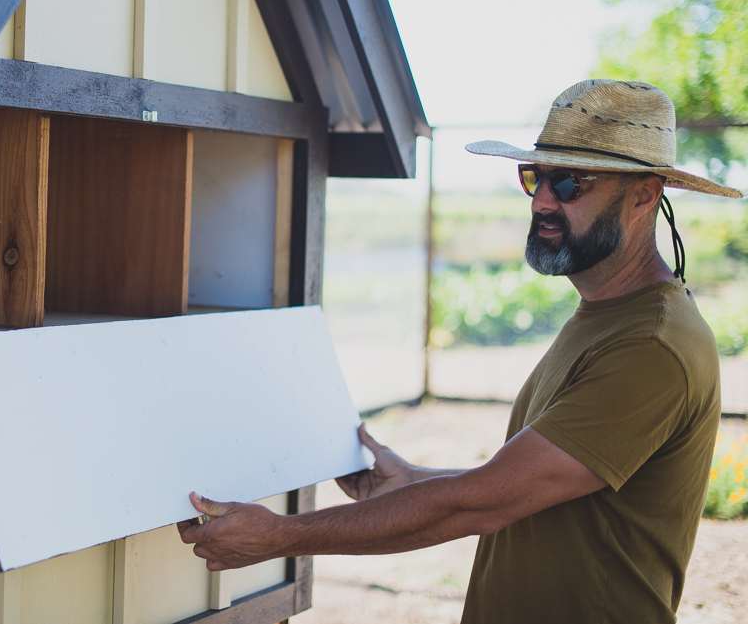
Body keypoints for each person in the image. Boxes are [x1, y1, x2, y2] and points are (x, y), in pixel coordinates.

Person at [177, 79, 742, 623]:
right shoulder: (609, 314)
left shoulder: (650, 346)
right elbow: (532, 484)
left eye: (571, 183)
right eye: (534, 177)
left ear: (644, 195)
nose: (543, 200)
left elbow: (482, 503)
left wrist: (281, 537)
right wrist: (415, 479)